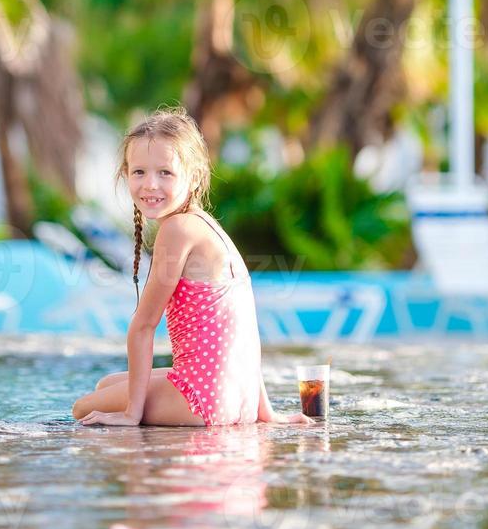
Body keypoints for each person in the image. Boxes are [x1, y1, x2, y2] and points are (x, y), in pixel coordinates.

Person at [72, 106, 312, 428]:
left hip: (203, 401)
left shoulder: (177, 230)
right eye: (139, 172)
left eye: (165, 173)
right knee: (107, 385)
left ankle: (135, 410)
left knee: (83, 408)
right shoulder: (209, 226)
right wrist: (266, 413)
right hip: (237, 398)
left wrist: (132, 414)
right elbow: (243, 331)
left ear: (194, 175)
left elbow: (143, 327)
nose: (150, 185)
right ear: (125, 174)